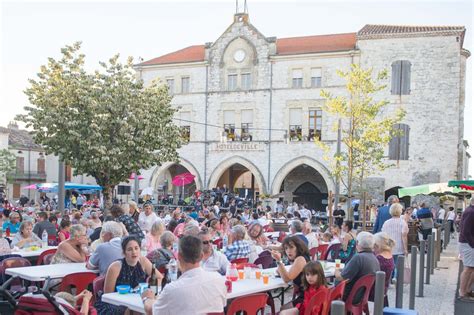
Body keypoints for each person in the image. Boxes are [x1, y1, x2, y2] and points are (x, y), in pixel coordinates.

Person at [142, 235, 226, 315]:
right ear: (201, 256)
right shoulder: (218, 280)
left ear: (179, 257)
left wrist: (147, 298)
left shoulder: (172, 289)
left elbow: (151, 311)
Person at [96, 236, 163, 314]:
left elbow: (159, 277)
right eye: (130, 249)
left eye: (136, 248)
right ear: (124, 253)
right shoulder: (115, 267)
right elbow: (108, 295)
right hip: (114, 303)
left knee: (151, 307)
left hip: (136, 300)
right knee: (136, 311)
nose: (134, 252)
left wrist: (147, 286)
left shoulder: (143, 261)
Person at [335, 231, 380, 302]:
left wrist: (336, 269)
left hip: (350, 295)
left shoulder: (358, 258)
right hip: (362, 295)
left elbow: (341, 278)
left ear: (357, 243)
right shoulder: (374, 258)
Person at [271, 236, 310, 310]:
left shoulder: (300, 259)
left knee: (283, 309)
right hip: (306, 294)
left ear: (298, 248)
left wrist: (278, 260)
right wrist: (280, 267)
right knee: (283, 308)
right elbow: (280, 272)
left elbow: (287, 279)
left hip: (307, 297)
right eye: (286, 248)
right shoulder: (301, 258)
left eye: (291, 247)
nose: (288, 251)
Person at [381, 203, 408, 280]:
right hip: (400, 246)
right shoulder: (402, 222)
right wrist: (405, 249)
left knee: (390, 262)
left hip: (389, 246)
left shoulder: (386, 223)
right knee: (398, 264)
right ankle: (395, 277)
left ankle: (390, 277)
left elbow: (384, 235)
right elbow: (404, 235)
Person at [458, 197, 474, 301]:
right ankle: (463, 292)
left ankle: (467, 290)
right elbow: (466, 230)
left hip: (468, 243)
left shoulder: (470, 211)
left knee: (471, 268)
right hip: (468, 243)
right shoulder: (471, 212)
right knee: (468, 268)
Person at [373, 232, 395, 305]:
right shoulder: (389, 255)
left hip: (375, 290)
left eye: (374, 245)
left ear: (378, 246)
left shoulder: (380, 258)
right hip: (384, 288)